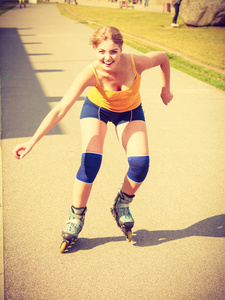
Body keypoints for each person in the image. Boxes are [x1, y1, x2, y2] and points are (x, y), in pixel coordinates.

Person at [12, 26, 173, 250]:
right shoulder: (91, 73)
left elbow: (163, 58)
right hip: (97, 109)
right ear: (94, 49)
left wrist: (165, 89)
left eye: (114, 51)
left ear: (121, 48)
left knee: (140, 164)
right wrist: (31, 142)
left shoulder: (138, 63)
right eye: (102, 52)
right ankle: (76, 216)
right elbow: (60, 110)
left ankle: (121, 204)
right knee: (91, 162)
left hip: (130, 111)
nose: (108, 57)